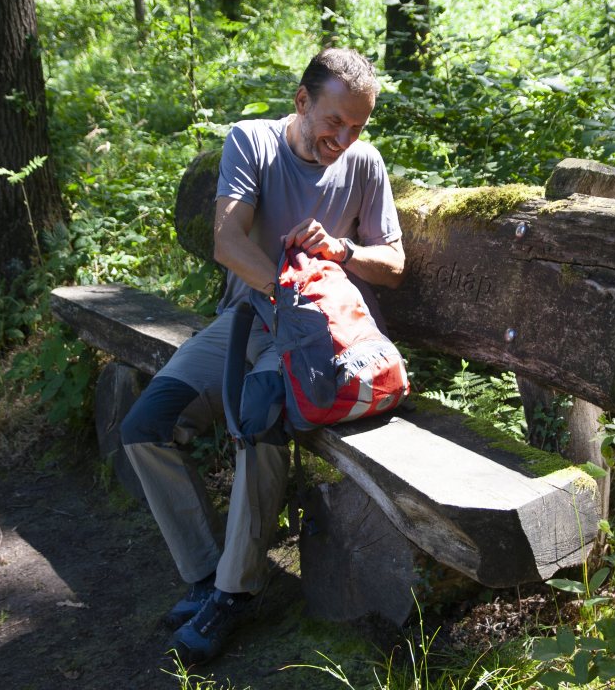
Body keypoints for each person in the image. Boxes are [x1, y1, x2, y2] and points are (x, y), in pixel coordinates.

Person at [119, 47, 404, 665]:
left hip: (322, 341)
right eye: (335, 121)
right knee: (145, 426)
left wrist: (345, 252)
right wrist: (284, 296)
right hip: (250, 320)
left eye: (358, 127)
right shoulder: (252, 142)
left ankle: (234, 591)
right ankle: (204, 574)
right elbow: (227, 241)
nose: (345, 137)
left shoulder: (365, 164)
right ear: (302, 102)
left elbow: (395, 264)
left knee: (262, 412)